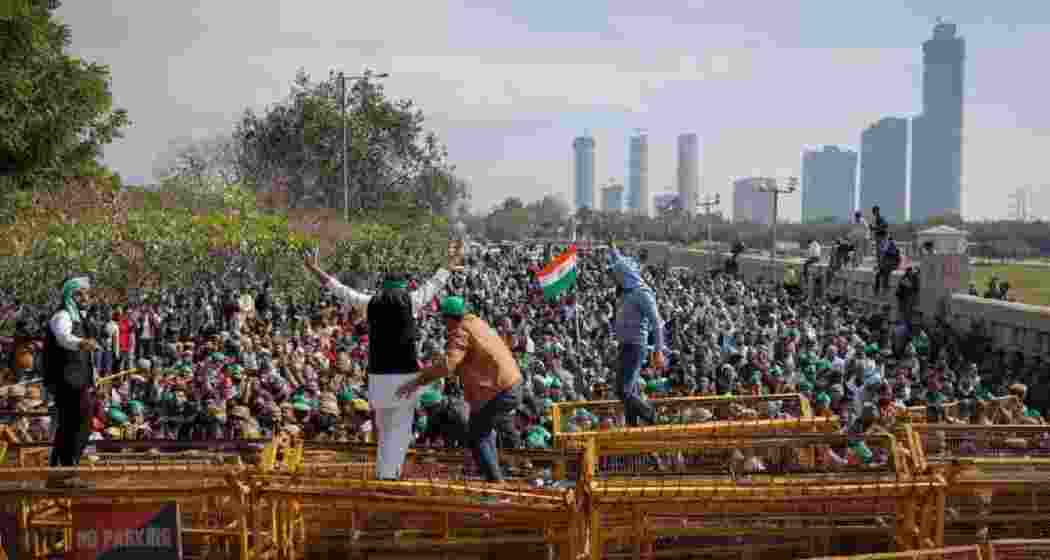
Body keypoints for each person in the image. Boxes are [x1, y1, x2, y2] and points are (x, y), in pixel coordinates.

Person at [304, 247, 457, 480]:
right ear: (403, 287)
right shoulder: (411, 301)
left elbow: (341, 290)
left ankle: (384, 475)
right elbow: (434, 285)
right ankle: (389, 478)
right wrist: (448, 265)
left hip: (378, 380)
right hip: (405, 379)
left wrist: (316, 270)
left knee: (385, 433)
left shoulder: (369, 303)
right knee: (400, 433)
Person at [396, 296, 523, 483]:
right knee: (483, 431)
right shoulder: (477, 322)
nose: (443, 324)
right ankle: (496, 477)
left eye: (443, 319)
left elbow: (448, 365)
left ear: (449, 318)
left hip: (498, 390)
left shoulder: (460, 331)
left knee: (477, 435)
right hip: (512, 384)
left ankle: (496, 483)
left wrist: (418, 381)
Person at [43, 276, 99, 488]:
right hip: (67, 380)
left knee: (70, 425)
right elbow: (63, 338)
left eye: (87, 293)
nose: (86, 297)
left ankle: (59, 473)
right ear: (71, 295)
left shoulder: (80, 320)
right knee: (80, 422)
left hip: (77, 379)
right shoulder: (62, 316)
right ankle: (66, 472)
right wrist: (82, 343)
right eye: (81, 293)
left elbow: (85, 355)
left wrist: (94, 376)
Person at [607, 243, 665, 426]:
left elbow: (657, 323)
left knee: (623, 391)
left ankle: (652, 416)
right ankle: (632, 425)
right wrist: (612, 248)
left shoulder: (642, 293)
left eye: (616, 277)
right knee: (627, 391)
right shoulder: (627, 292)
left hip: (636, 346)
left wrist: (658, 350)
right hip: (625, 345)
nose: (614, 280)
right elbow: (620, 262)